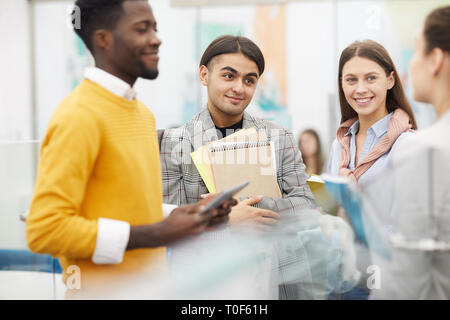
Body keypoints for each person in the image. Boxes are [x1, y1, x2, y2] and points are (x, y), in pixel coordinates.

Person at [25, 0, 236, 298]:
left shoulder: (141, 114)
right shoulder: (79, 115)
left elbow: (126, 205)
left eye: (155, 28)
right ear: (104, 39)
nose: (156, 38)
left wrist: (184, 216)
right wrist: (156, 234)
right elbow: (44, 229)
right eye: (142, 29)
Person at [160, 35, 320, 299]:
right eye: (228, 76)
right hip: (205, 285)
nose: (239, 87)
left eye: (249, 80)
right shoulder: (173, 143)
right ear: (204, 75)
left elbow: (306, 205)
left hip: (272, 278)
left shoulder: (279, 137)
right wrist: (225, 222)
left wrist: (250, 208)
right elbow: (169, 224)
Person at [326, 39, 418, 299]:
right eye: (351, 80)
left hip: (385, 276)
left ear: (390, 80)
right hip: (341, 275)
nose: (360, 89)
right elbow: (332, 213)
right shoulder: (340, 145)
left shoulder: (406, 145)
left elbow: (408, 227)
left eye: (371, 78)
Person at [372, 5, 450, 300]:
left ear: (436, 59)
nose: (410, 65)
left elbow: (407, 280)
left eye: (416, 51)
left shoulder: (426, 150)